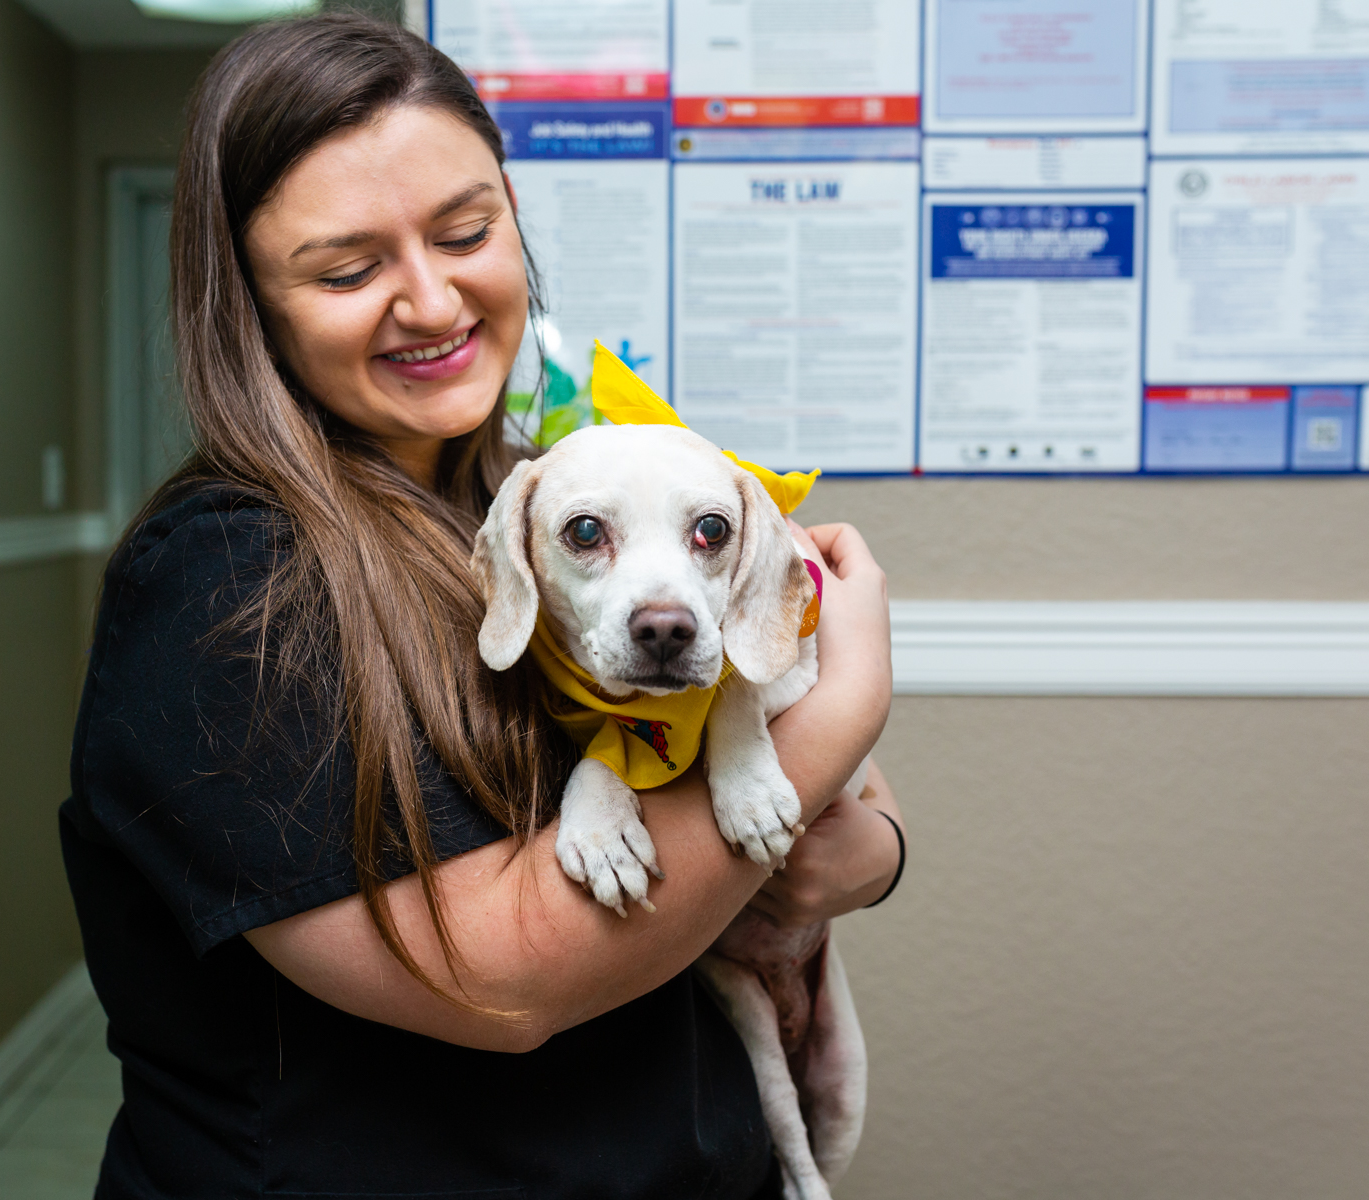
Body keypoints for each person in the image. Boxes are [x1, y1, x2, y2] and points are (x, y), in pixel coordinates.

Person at [59, 14, 903, 1200]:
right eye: (349, 269)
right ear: (249, 302)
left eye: (467, 231)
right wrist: (849, 701)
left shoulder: (540, 495)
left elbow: (817, 815)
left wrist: (863, 847)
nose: (431, 299)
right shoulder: (223, 586)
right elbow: (504, 981)